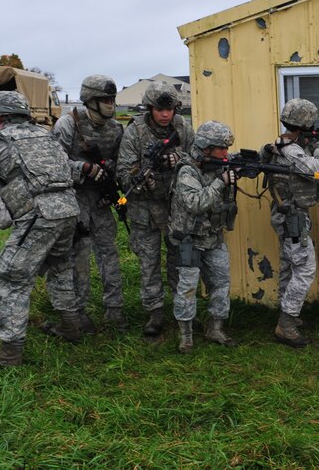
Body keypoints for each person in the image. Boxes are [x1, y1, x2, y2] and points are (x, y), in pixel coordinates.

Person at [0, 91, 80, 366]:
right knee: (60, 267)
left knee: (12, 277)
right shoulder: (46, 135)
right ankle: (70, 326)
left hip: (40, 217)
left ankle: (10, 351)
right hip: (69, 210)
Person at [117, 81, 194, 337]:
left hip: (176, 207)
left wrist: (178, 159)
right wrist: (140, 177)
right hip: (145, 209)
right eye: (159, 109)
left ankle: (182, 310)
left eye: (169, 108)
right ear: (149, 108)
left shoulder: (183, 128)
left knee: (179, 261)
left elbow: (198, 160)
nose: (165, 114)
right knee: (148, 262)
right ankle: (155, 312)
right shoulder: (135, 132)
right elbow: (123, 170)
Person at [49, 75, 126, 333]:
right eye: (104, 100)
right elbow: (53, 164)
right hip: (74, 198)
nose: (110, 105)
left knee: (109, 252)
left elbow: (120, 164)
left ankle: (114, 310)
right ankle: (79, 313)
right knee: (79, 256)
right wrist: (83, 167)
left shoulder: (116, 129)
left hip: (102, 199)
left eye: (112, 99)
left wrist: (111, 188)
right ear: (90, 100)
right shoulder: (68, 124)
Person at [261, 99, 319, 348]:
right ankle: (287, 324)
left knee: (290, 266)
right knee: (305, 268)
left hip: (287, 213)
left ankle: (288, 315)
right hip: (292, 216)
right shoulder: (291, 151)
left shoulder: (282, 144)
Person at [169, 121, 240, 353]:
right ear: (206, 147)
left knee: (221, 282)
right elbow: (196, 203)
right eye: (221, 148)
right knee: (188, 288)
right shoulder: (187, 170)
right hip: (189, 240)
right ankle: (186, 335)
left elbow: (240, 159)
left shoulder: (219, 163)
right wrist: (222, 182)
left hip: (213, 237)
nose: (225, 153)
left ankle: (215, 327)